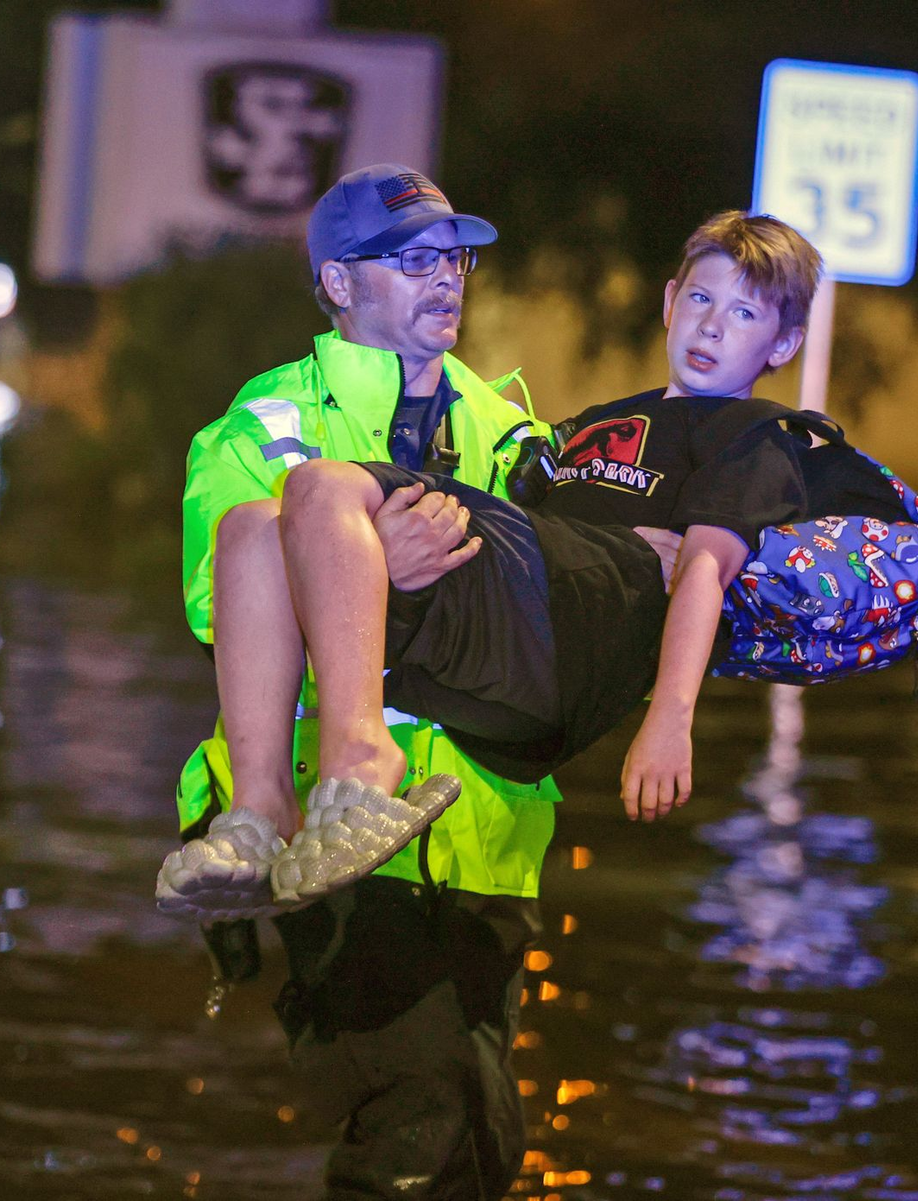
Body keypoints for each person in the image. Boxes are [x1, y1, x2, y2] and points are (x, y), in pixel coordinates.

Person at [169, 211, 824, 912]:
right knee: (250, 526)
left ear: (783, 342)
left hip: (549, 656)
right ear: (669, 302)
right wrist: (378, 562)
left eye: (744, 311)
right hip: (494, 641)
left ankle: (359, 762)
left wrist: (669, 719)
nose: (714, 325)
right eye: (701, 299)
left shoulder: (752, 440)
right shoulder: (590, 427)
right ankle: (262, 813)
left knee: (321, 486)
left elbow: (700, 574)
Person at [166, 164, 590, 1201]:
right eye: (410, 261)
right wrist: (371, 569)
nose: (445, 277)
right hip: (328, 831)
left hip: (486, 835)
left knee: (481, 1134)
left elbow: (559, 605)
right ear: (339, 285)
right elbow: (219, 602)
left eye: (454, 257)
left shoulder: (514, 432)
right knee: (423, 1120)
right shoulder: (269, 423)